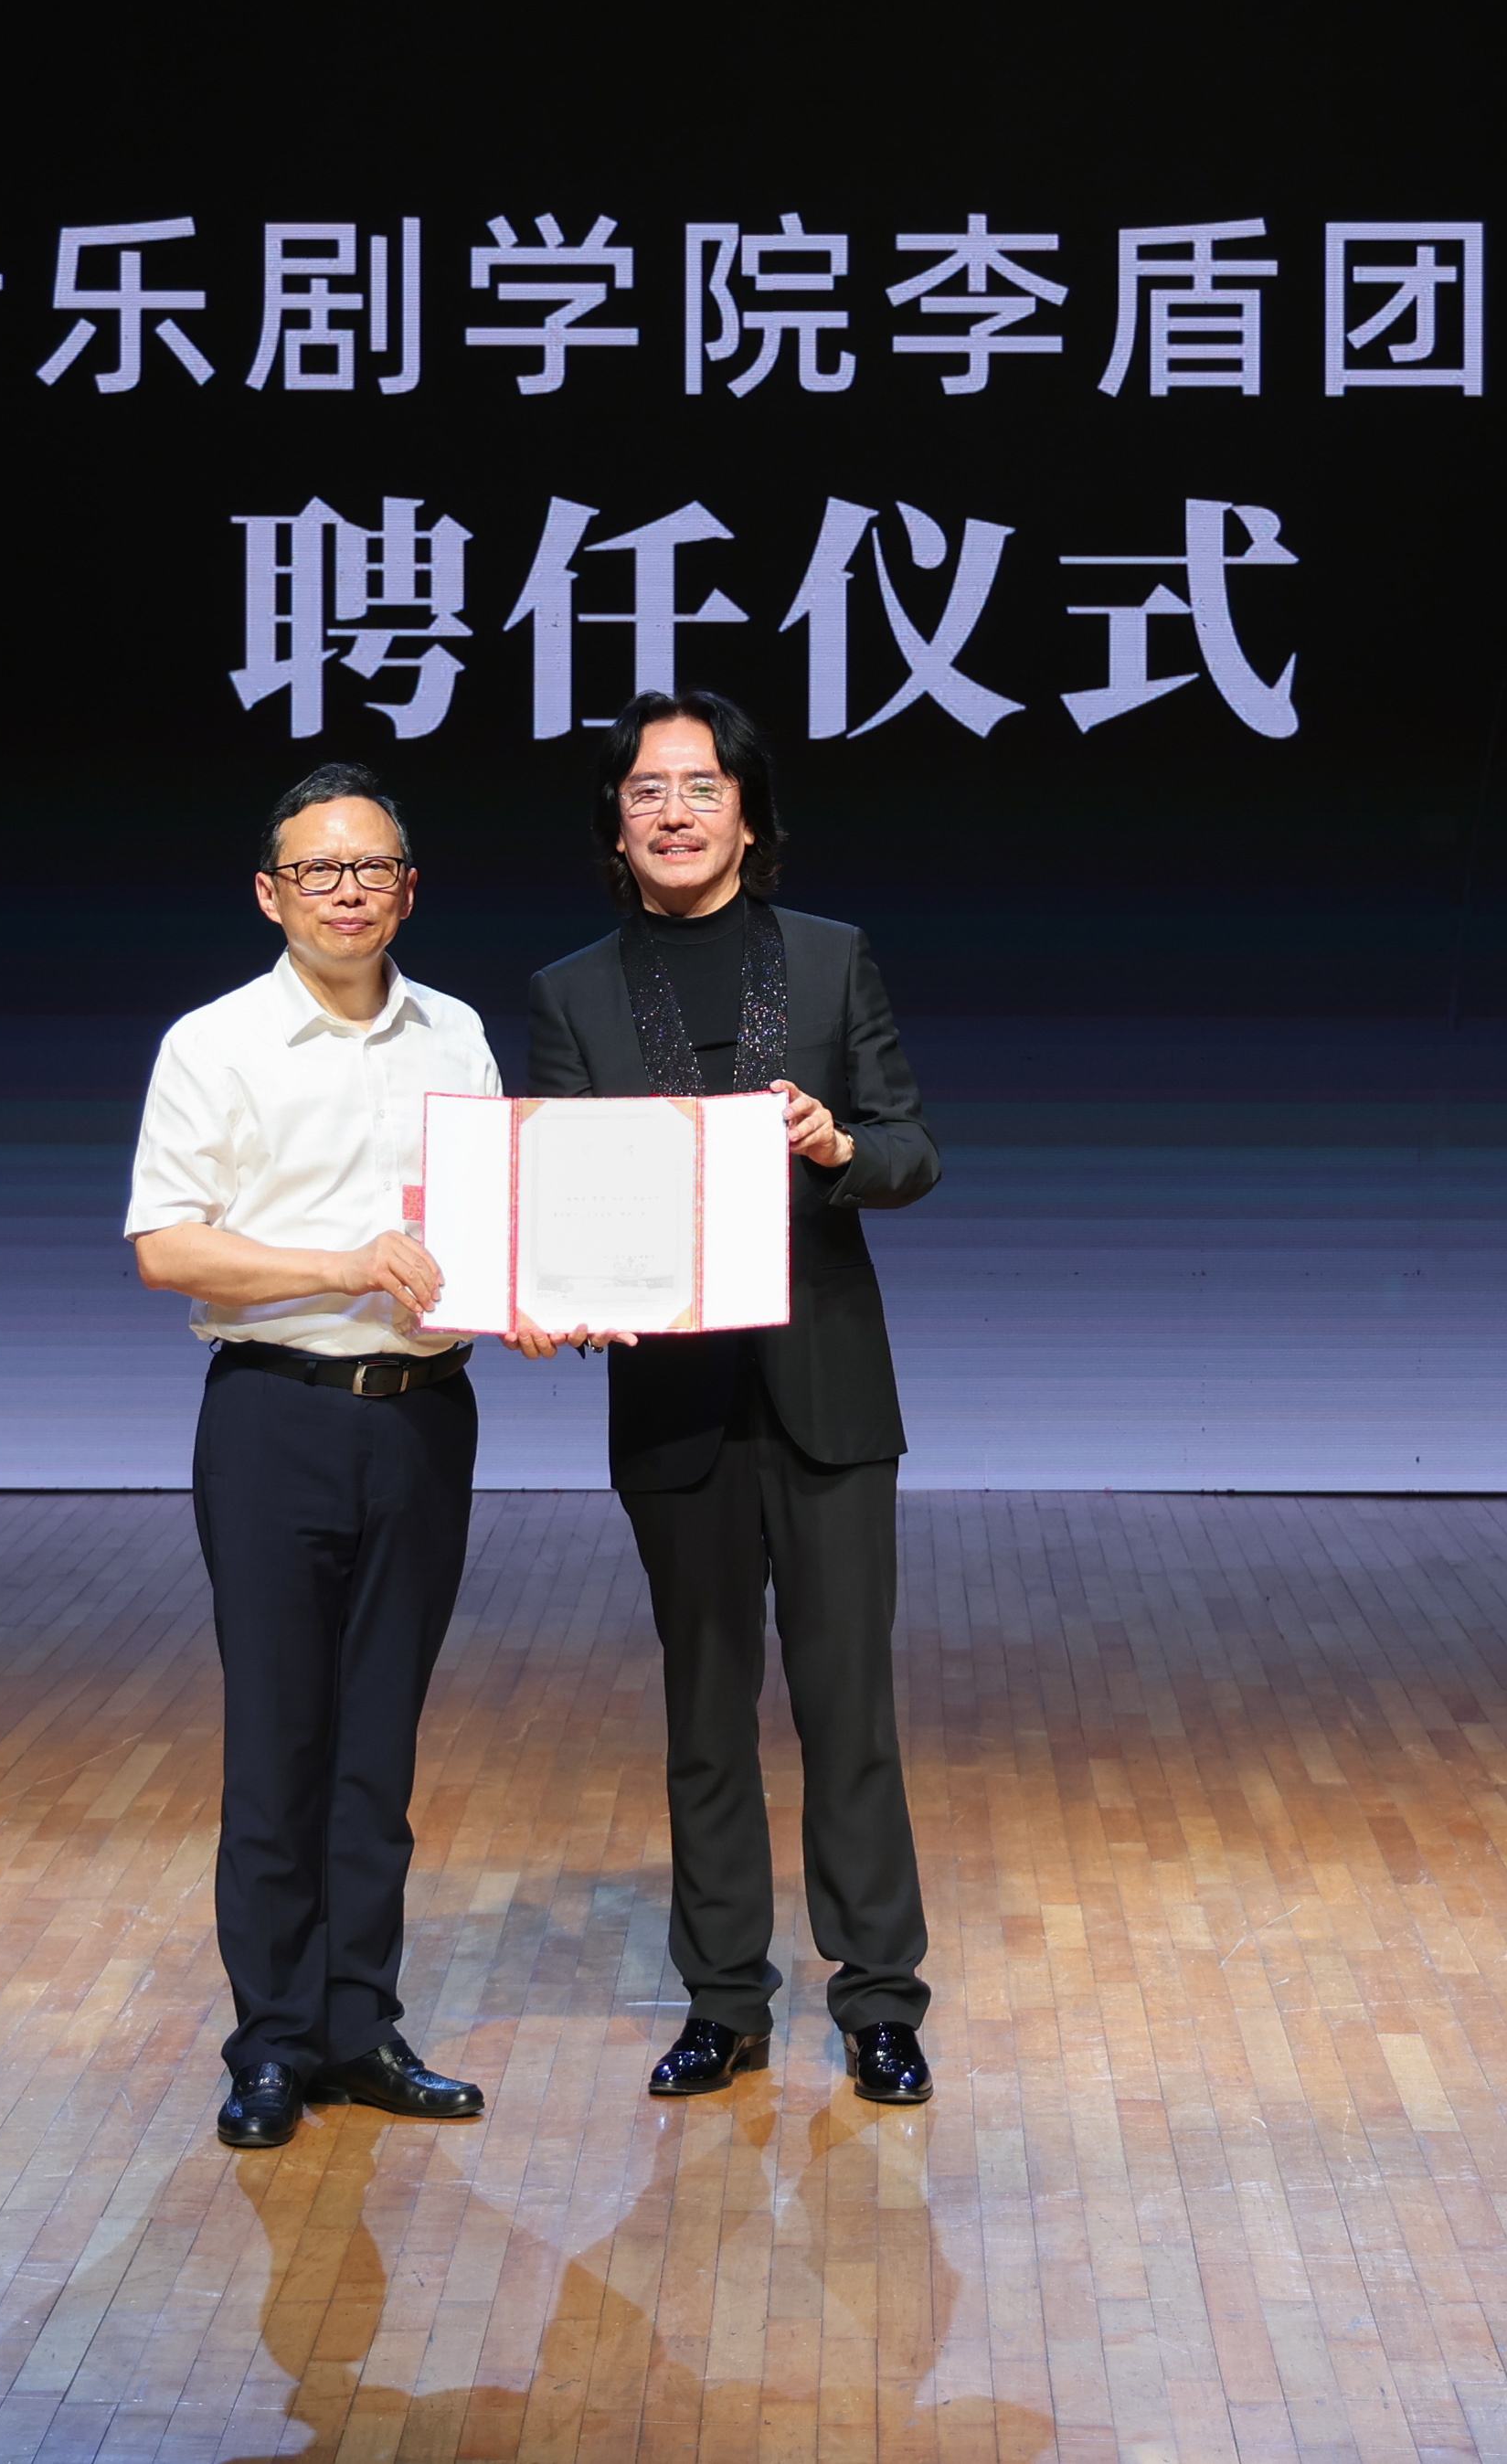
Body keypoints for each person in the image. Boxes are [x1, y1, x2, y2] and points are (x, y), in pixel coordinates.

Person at [525, 689, 944, 2107]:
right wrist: (557, 1283)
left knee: (848, 1708)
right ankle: (722, 1999)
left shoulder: (829, 959)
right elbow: (559, 1197)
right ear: (615, 825)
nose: (674, 810)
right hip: (676, 1402)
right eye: (646, 790)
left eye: (701, 786)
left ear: (749, 815)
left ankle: (878, 1997)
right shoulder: (572, 992)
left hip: (829, 1393)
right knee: (704, 1715)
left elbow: (911, 1149)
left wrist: (837, 1143)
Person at [125, 761, 507, 2151]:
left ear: (409, 888)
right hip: (274, 1415)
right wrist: (342, 1264)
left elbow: (493, 1223)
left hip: (424, 1415)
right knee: (280, 1736)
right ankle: (274, 2040)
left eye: (372, 866)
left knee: (379, 1740)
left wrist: (536, 1290)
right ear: (270, 892)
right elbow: (167, 1245)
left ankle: (361, 2026)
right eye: (318, 868)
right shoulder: (213, 1043)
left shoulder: (456, 1032)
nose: (347, 890)